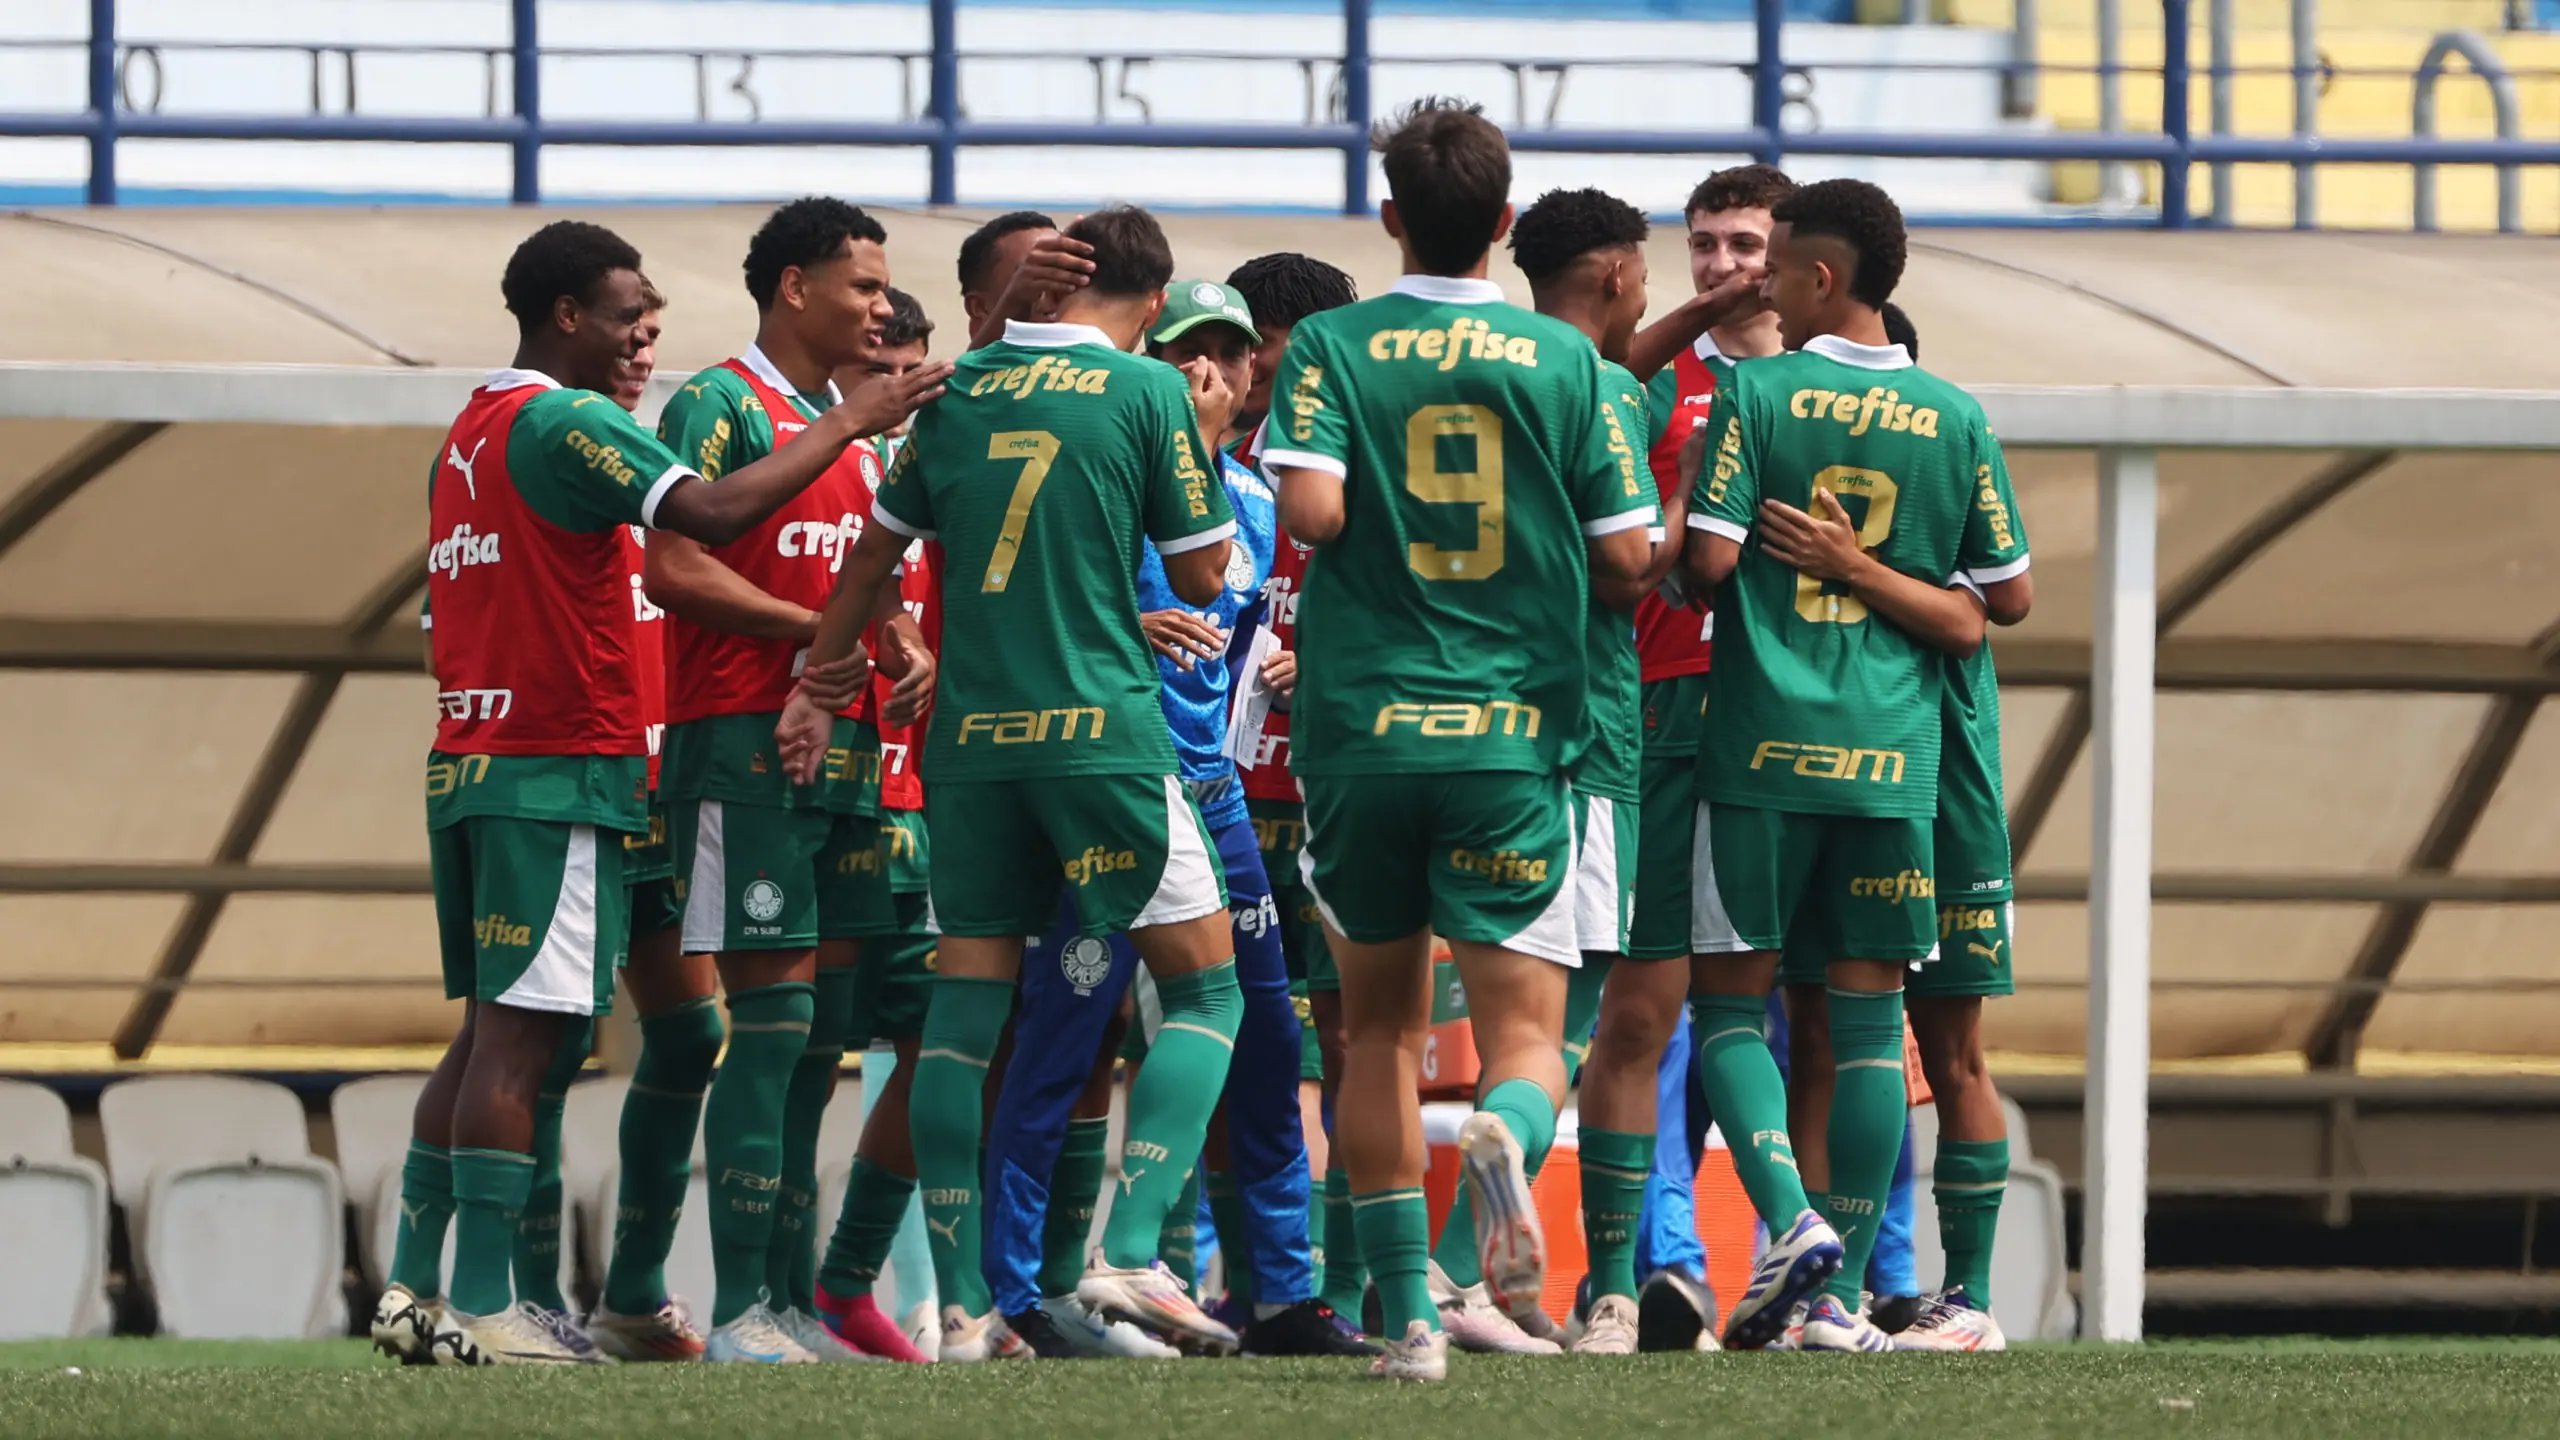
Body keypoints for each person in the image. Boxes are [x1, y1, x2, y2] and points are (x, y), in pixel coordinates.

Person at [377, 218, 932, 1367]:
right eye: (631, 318)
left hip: (505, 762)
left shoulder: (468, 436)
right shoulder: (571, 423)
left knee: (557, 1035)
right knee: (530, 1043)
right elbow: (708, 525)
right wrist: (849, 425)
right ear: (567, 317)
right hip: (569, 767)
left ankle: (424, 1294)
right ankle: (492, 1303)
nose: (649, 340)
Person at [776, 205, 1250, 1360]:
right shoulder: (1145, 394)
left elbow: (871, 561)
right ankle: (1131, 1251)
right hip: (1102, 739)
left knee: (958, 1026)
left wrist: (818, 687)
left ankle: (962, 1309)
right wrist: (1189, 441)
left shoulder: (955, 394)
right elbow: (1203, 570)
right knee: (1207, 994)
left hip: (973, 748)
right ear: (1149, 303)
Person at [1261, 98, 1657, 1382]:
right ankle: (1502, 1132)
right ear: (1501, 223)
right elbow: (1622, 562)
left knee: (1372, 1035)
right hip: (1511, 734)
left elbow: (1312, 513)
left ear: (1389, 218)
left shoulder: (1327, 342)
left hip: (1363, 728)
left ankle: (1408, 1323)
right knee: (1533, 1037)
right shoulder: (1574, 367)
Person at [1677, 178, 2029, 1354]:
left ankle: (1801, 1245)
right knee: (1876, 1034)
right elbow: (2007, 595)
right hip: (1893, 765)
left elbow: (1711, 567)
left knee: (1731, 1009)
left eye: (1772, 268)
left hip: (1765, 751)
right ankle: (1833, 1292)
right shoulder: (1956, 414)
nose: (1757, 288)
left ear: (1820, 279)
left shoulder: (1758, 392)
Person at [646, 197, 946, 1363]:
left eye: (883, 289)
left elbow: (858, 576)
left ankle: (781, 1306)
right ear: (792, 289)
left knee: (815, 1042)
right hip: (742, 743)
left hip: (846, 753)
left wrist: (896, 642)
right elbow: (672, 565)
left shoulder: (854, 425)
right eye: (863, 286)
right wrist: (825, 642)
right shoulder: (720, 403)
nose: (881, 306)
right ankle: (732, 1317)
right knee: (767, 1029)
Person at [1765, 303, 2035, 1355]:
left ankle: (1966, 1299)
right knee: (1818, 1042)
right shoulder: (1785, 462)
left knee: (1954, 1050)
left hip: (1944, 784)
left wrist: (1861, 569)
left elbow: (1988, 611)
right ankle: (1820, 1293)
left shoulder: (1952, 460)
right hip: (1824, 777)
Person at [1589, 162, 1796, 1354]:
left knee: (1808, 1019)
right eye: (1704, 244)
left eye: (1743, 245)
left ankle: (1846, 1276)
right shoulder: (1651, 377)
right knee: (1647, 1008)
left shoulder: (1847, 385)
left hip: (1807, 728)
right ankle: (1649, 1270)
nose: (1722, 265)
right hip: (1665, 706)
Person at [1502, 185, 1689, 1357]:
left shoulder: (1478, 373)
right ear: (1620, 274)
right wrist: (1686, 487)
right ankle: (1587, 1276)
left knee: (1383, 1027)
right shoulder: (1608, 394)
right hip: (1593, 736)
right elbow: (1628, 571)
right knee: (1586, 1020)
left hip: (1480, 730)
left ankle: (1426, 1286)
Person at [1221, 252, 1364, 1326]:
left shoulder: (1360, 458)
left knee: (1358, 1034)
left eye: (1246, 342)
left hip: (1337, 791)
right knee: (1221, 1034)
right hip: (1222, 793)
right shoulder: (1192, 450)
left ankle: (1357, 1278)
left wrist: (1327, 660)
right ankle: (1234, 1279)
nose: (1231, 365)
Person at [807, 284, 943, 1364]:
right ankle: (763, 1291)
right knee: (801, 1046)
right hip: (834, 798)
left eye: (916, 374)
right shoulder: (813, 461)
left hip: (926, 808)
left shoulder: (936, 474)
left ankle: (845, 1282)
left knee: (937, 1044)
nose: (907, 397)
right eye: (885, 377)